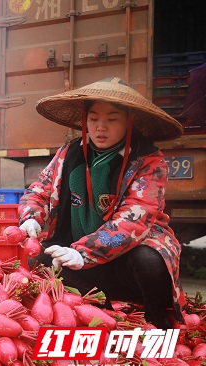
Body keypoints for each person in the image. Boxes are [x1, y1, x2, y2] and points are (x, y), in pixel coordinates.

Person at [17, 77, 186, 329]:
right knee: (39, 260)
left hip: (124, 259)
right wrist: (31, 216)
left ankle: (155, 317)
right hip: (80, 255)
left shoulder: (147, 160)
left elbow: (135, 218)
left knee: (150, 260)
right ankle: (103, 313)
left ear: (129, 122)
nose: (100, 127)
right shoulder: (69, 153)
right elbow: (40, 189)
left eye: (112, 119)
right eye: (94, 118)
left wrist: (84, 253)